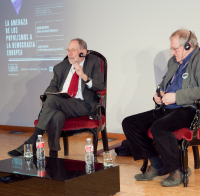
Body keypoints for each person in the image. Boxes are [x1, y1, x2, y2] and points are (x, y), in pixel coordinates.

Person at [122, 29, 200, 187]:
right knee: (129, 123)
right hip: (167, 108)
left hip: (189, 109)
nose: (172, 52)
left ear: (188, 46)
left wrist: (176, 96)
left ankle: (179, 170)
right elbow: (164, 83)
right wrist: (158, 95)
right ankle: (158, 165)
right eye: (172, 48)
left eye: (175, 49)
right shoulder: (173, 62)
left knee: (159, 127)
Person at [8, 38, 105, 158]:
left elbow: (100, 86)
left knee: (53, 101)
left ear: (83, 52)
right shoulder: (61, 67)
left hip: (84, 105)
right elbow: (51, 87)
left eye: (73, 50)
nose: (69, 53)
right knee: (57, 116)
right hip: (63, 103)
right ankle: (53, 155)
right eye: (68, 50)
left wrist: (84, 76)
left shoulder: (94, 62)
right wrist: (56, 94)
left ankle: (31, 142)